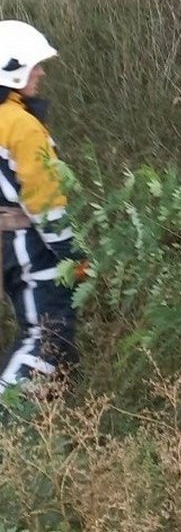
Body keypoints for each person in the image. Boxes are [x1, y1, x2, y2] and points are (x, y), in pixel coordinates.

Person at [0, 20, 80, 391]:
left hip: (11, 246)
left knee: (53, 338)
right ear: (12, 70)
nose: (42, 73)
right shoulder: (21, 126)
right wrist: (73, 256)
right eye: (35, 66)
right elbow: (45, 202)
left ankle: (60, 410)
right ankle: (8, 412)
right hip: (30, 247)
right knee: (45, 336)